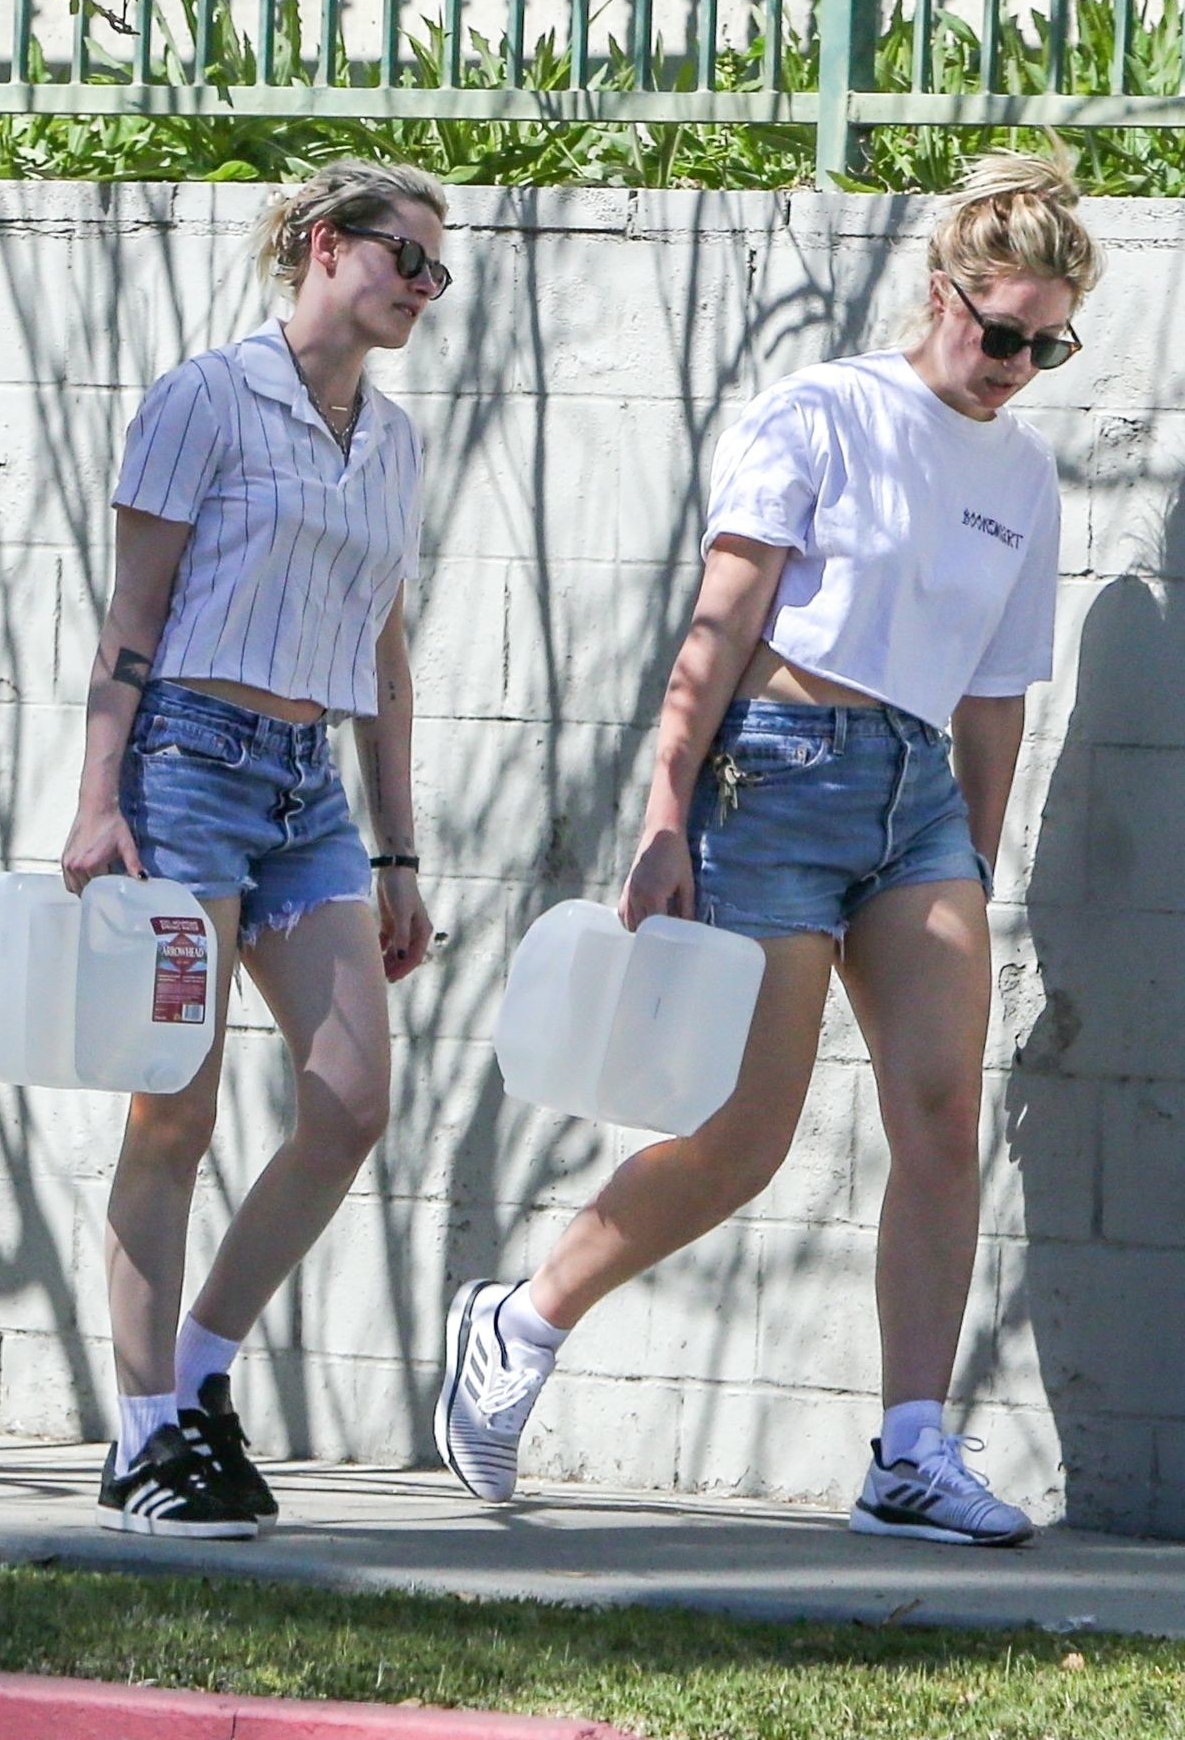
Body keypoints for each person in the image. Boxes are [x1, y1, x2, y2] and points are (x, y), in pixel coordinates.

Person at [435, 151, 1102, 1546]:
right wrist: (663, 813)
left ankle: (909, 1452)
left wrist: (974, 859)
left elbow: (994, 693)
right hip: (774, 776)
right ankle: (522, 1319)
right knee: (744, 1136)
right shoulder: (822, 413)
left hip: (918, 798)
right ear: (944, 292)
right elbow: (719, 628)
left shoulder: (1025, 474)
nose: (1016, 368)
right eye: (1003, 334)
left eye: (1047, 348)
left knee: (942, 1119)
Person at [62, 159, 450, 1538]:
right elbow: (133, 613)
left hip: (307, 791)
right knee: (176, 1109)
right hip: (183, 769)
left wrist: (399, 853)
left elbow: (385, 659)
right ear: (326, 244)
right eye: (406, 257)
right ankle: (140, 1437)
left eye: (438, 271)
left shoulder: (394, 442)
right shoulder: (206, 398)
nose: (423, 287)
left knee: (350, 1102)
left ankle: (200, 1374)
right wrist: (98, 799)